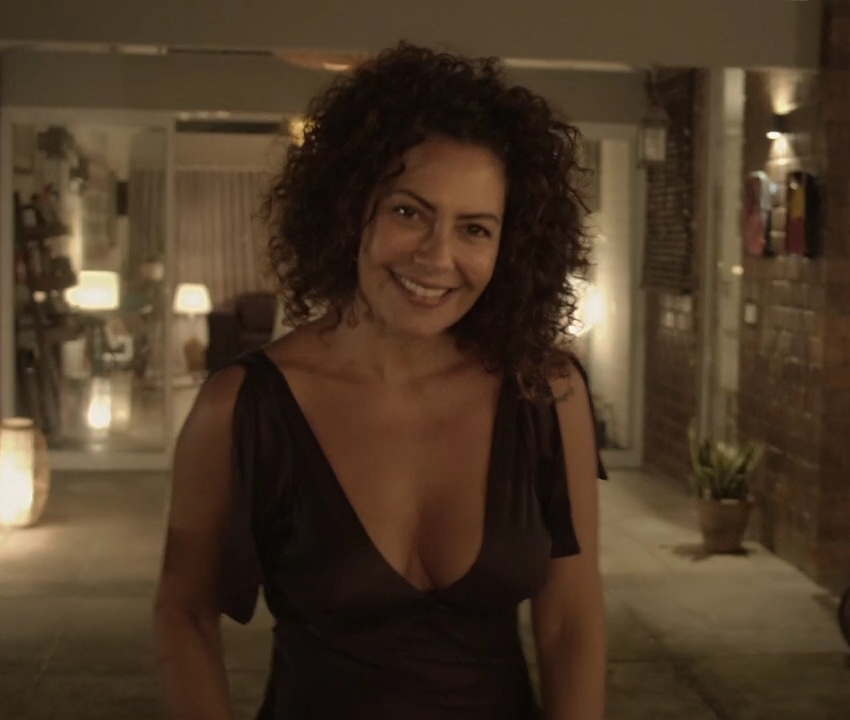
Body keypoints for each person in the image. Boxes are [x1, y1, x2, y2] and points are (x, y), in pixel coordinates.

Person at [154, 42, 608, 720]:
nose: (437, 257)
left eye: (474, 228)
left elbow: (571, 621)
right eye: (408, 212)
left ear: (510, 246)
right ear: (348, 207)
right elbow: (184, 612)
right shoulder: (243, 406)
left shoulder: (545, 394)